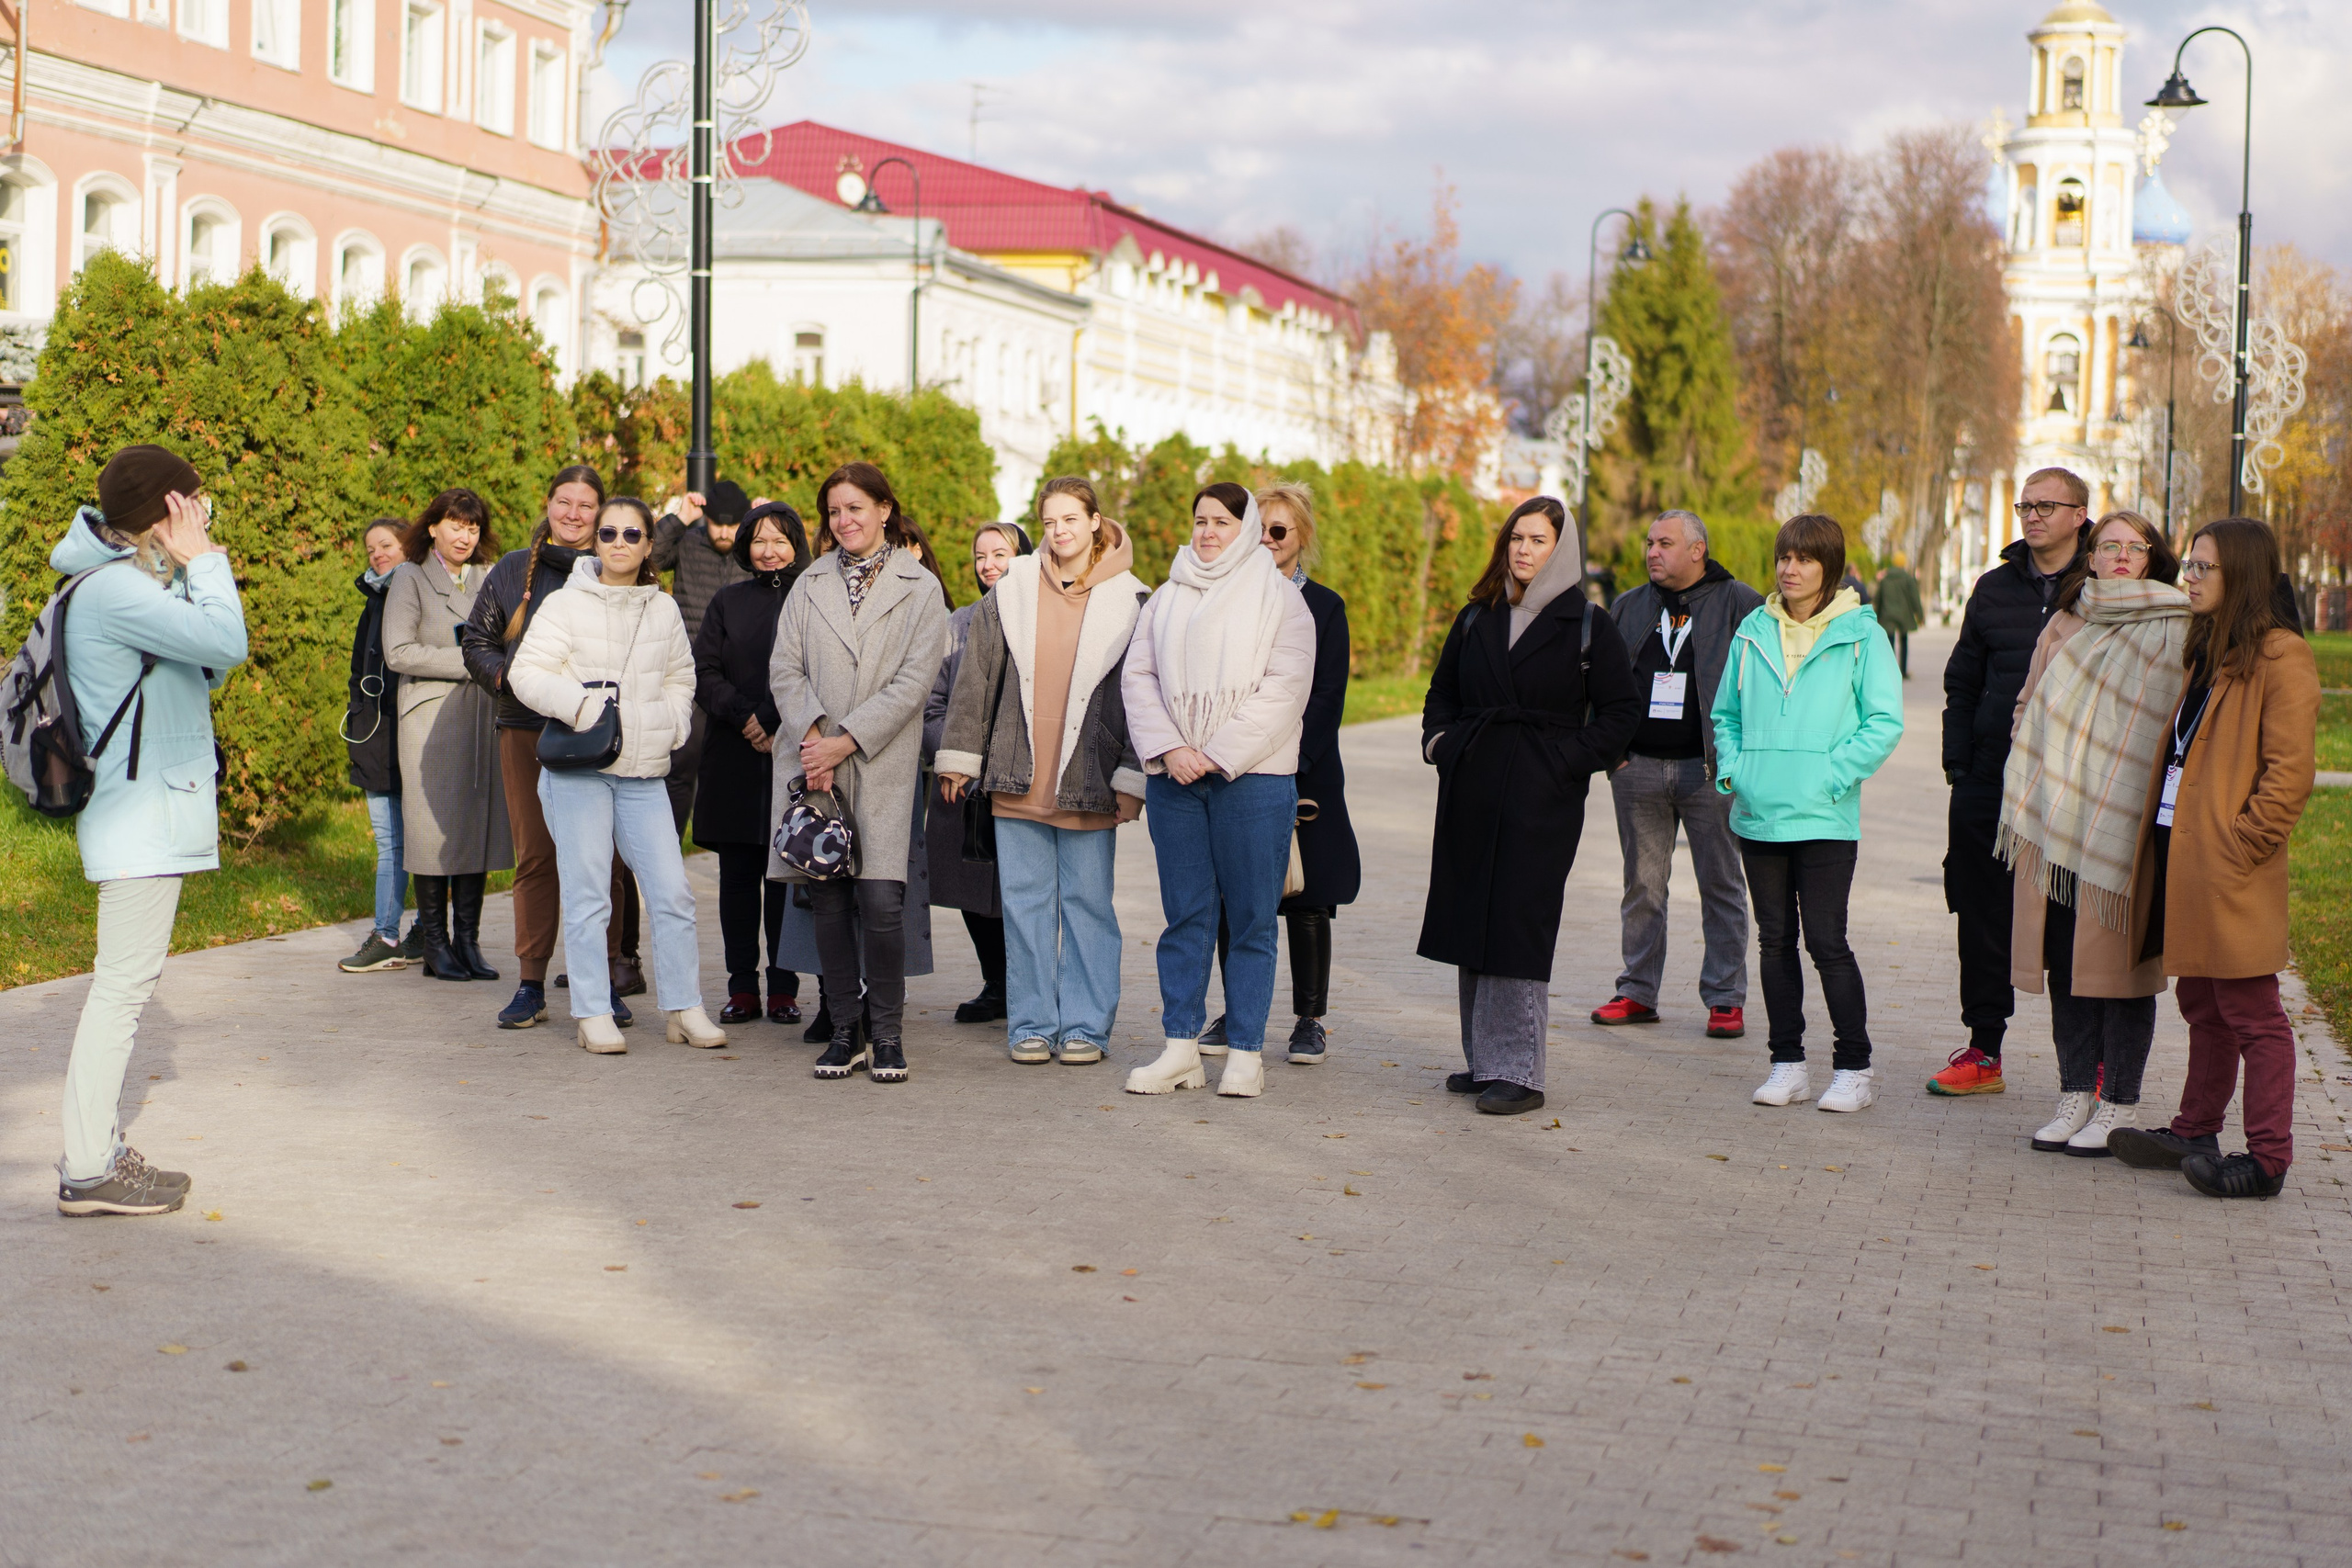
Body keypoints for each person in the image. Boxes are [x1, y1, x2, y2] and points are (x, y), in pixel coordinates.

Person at [52, 446, 248, 1216]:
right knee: (121, 992)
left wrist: (186, 574)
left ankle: (95, 1152)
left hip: (143, 812)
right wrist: (205, 562)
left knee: (123, 988)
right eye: (196, 505)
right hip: (138, 819)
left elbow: (206, 664)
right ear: (167, 511)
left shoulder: (125, 584)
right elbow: (227, 643)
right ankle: (87, 1166)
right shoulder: (114, 592)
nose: (205, 517)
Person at [2109, 519, 2320, 1199]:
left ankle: (2268, 1160)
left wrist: (2242, 845)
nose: (2189, 577)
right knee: (2202, 1001)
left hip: (2229, 863)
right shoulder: (2210, 649)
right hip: (2184, 851)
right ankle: (2195, 1130)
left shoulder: (2281, 656)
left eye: (2204, 567)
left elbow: (2290, 773)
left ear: (2243, 576)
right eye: (2190, 565)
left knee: (2254, 1012)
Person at [1419, 498, 1641, 1115]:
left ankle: (1520, 1071)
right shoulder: (1477, 616)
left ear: (1561, 550)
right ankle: (1484, 1060)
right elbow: (1442, 692)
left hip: (1541, 795)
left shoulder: (1589, 622)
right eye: (1516, 537)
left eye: (1538, 540)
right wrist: (1442, 744)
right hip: (1472, 783)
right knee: (1473, 918)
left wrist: (1565, 762)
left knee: (1519, 921)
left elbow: (1622, 712)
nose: (1523, 549)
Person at [937, 478, 1148, 1065]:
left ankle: (1086, 1027)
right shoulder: (1012, 590)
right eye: (1049, 522)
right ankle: (1030, 1024)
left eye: (1070, 520)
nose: (1059, 532)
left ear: (1096, 522)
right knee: (1025, 905)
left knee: (1088, 907)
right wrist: (959, 756)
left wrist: (1132, 777)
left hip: (1089, 776)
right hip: (1017, 770)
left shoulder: (1133, 599)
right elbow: (977, 674)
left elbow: (1141, 696)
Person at [1998, 510, 2188, 1157]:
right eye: (2109, 546)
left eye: (2135, 546)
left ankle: (2118, 1102)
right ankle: (2075, 1092)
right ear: (2093, 556)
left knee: (2120, 969)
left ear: (2154, 557)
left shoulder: (2178, 625)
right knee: (2067, 963)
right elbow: (2028, 701)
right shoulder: (2066, 619)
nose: (2121, 556)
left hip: (2126, 822)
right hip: (2056, 817)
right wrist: (2030, 757)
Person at [507, 496, 724, 1055]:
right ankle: (592, 1012)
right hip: (578, 770)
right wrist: (585, 710)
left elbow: (682, 678)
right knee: (588, 895)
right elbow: (526, 673)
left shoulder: (664, 609)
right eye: (608, 534)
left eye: (632, 534)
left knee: (673, 894)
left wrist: (670, 726)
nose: (619, 543)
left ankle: (684, 1008)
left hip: (643, 772)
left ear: (650, 545)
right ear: (595, 542)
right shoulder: (564, 603)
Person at [1122, 483, 1316, 1100]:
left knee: (1253, 919)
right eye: (1200, 520)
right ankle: (1180, 1048)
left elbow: (1286, 688)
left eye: (1222, 522)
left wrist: (1217, 752)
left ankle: (1247, 1053)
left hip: (1252, 781)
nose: (1208, 532)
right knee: (1185, 917)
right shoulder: (1166, 597)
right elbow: (1138, 676)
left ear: (1247, 527)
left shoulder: (1281, 599)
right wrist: (1172, 749)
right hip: (1177, 782)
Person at [1714, 513, 1904, 1114]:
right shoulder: (1752, 630)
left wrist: (1831, 775)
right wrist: (1736, 772)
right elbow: (1726, 714)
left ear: (1830, 567)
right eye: (1784, 558)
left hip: (1824, 816)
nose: (1789, 569)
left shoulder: (1862, 634)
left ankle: (1854, 1068)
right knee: (1774, 942)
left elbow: (1884, 721)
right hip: (1759, 813)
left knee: (1827, 942)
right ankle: (1787, 1064)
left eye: (1804, 559)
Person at [768, 461, 950, 1084]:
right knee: (827, 896)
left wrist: (844, 741)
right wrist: (814, 737)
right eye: (835, 511)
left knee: (880, 902)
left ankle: (887, 1034)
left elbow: (914, 683)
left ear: (884, 510)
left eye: (855, 507)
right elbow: (784, 668)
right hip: (814, 762)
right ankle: (844, 1030)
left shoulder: (919, 588)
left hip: (880, 762)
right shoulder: (809, 582)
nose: (844, 520)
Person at [463, 466, 639, 1030]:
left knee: (603, 862)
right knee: (537, 857)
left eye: (586, 505)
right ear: (548, 504)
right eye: (565, 502)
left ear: (600, 512)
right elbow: (477, 641)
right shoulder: (515, 569)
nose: (574, 514)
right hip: (526, 729)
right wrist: (509, 680)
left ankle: (604, 981)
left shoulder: (619, 569)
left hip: (598, 735)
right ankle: (531, 984)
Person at [1193, 482, 1363, 1063]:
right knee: (1233, 896)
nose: (1267, 539)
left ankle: (1310, 1020)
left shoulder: (1326, 606)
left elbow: (1327, 697)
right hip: (1235, 766)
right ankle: (1237, 1012)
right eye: (1258, 528)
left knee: (1308, 898)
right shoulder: (1222, 597)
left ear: (1302, 537)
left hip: (1303, 771)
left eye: (1280, 530)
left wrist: (1294, 767)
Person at [1930, 467, 2086, 1097]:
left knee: (2071, 921)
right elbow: (1962, 679)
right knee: (1980, 911)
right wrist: (1959, 767)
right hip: (1988, 780)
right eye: (2026, 505)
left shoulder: (2103, 587)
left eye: (2047, 505)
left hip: (2072, 787)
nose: (2033, 516)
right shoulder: (1993, 589)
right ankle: (1983, 1049)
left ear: (2079, 514)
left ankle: (2090, 1065)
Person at [1592, 508, 1761, 1039]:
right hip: (1637, 769)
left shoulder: (1740, 603)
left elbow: (1765, 683)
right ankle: (1637, 992)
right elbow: (1599, 680)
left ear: (1697, 550)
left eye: (1664, 543)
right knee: (1643, 886)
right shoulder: (1629, 606)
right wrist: (1612, 755)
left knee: (1722, 884)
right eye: (1649, 543)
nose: (1652, 552)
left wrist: (1742, 759)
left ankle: (1725, 998)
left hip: (1709, 773)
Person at [383, 488, 511, 983]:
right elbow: (398, 651)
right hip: (429, 719)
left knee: (477, 825)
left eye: (473, 528)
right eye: (456, 525)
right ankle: (435, 944)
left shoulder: (488, 576)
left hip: (482, 717)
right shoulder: (410, 577)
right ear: (433, 527)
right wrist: (469, 661)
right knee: (432, 829)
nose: (465, 536)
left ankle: (468, 942)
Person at [692, 500, 811, 1026]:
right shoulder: (727, 600)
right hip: (734, 754)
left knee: (785, 876)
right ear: (745, 545)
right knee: (738, 877)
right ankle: (742, 987)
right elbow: (704, 671)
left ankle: (784, 987)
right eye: (759, 540)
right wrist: (746, 716)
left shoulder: (812, 599)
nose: (769, 551)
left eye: (780, 540)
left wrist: (772, 718)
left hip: (793, 750)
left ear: (796, 545)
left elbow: (815, 670)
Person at [924, 522, 1032, 1027]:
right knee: (970, 885)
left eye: (1000, 553)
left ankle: (1029, 987)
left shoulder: (1040, 617)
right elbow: (931, 703)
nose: (988, 564)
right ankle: (996, 984)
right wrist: (958, 755)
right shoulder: (959, 623)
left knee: (1021, 889)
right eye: (980, 555)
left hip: (1023, 780)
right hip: (962, 783)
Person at [337, 518, 419, 973]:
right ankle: (387, 934)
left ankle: (423, 932)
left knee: (425, 838)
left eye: (385, 545)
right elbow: (358, 672)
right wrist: (360, 718)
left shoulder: (418, 591)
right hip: (375, 737)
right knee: (390, 842)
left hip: (415, 732)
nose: (377, 554)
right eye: (370, 549)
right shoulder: (372, 600)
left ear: (407, 546)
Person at [651, 479, 753, 832]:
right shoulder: (688, 543)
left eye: (733, 525)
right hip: (691, 680)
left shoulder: (754, 549)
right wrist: (680, 518)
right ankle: (667, 853)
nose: (724, 532)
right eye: (716, 524)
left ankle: (732, 854)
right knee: (679, 769)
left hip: (740, 682)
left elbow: (793, 572)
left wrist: (770, 520)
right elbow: (648, 556)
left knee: (737, 776)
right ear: (706, 518)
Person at [1874, 553, 1925, 679]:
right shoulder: (1908, 579)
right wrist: (1920, 615)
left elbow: (1878, 599)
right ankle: (1903, 671)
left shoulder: (1885, 580)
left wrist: (1877, 616)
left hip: (1888, 614)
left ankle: (1891, 670)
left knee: (1889, 642)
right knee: (1904, 641)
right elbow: (1914, 598)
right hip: (1904, 615)